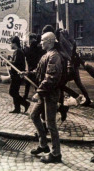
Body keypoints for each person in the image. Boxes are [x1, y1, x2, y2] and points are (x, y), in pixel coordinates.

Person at [23, 32, 63, 163]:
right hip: (44, 93)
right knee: (34, 115)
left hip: (50, 95)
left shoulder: (55, 56)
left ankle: (56, 154)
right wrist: (27, 73)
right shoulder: (46, 55)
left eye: (43, 40)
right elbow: (39, 71)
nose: (41, 43)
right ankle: (43, 145)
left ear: (50, 41)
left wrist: (39, 92)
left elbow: (51, 78)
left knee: (51, 124)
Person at [8, 36, 30, 113]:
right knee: (15, 92)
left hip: (18, 75)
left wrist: (9, 62)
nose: (10, 45)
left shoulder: (19, 52)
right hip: (15, 75)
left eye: (11, 43)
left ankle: (25, 103)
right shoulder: (16, 51)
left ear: (15, 43)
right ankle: (17, 108)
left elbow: (17, 64)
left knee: (12, 92)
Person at [23, 33, 46, 100]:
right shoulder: (38, 45)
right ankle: (37, 95)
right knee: (35, 81)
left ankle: (31, 95)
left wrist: (25, 48)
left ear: (31, 39)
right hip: (36, 66)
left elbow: (29, 54)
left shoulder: (33, 45)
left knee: (31, 82)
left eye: (30, 39)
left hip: (33, 66)